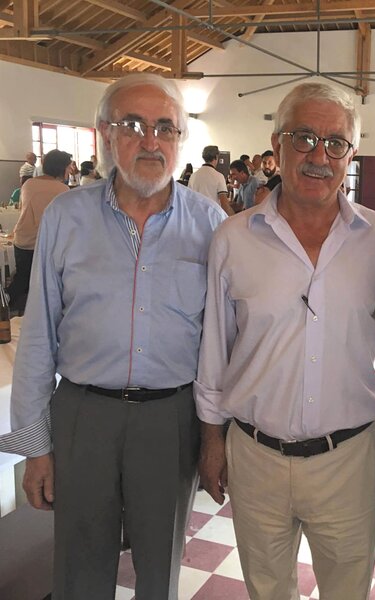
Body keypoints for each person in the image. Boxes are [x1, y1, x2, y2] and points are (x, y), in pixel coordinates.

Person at [0, 73, 226, 600]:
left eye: (165, 128)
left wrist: (215, 437)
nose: (150, 141)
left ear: (179, 139)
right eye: (133, 125)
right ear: (105, 133)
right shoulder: (67, 216)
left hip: (171, 418)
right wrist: (35, 448)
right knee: (79, 567)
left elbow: (220, 343)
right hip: (84, 415)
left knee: (160, 567)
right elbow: (38, 338)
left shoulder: (210, 224)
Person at [196, 81, 375, 600]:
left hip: (347, 458)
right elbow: (215, 349)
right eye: (303, 137)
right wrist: (212, 442)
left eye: (336, 143)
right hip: (255, 455)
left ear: (351, 153)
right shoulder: (233, 238)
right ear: (276, 144)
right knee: (266, 590)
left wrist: (334, 349)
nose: (319, 157)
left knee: (347, 590)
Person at [7, 149, 71, 314]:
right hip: (44, 243)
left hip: (22, 239)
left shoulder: (28, 184)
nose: (70, 170)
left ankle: (8, 303)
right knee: (45, 282)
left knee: (22, 278)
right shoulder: (63, 190)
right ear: (61, 167)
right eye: (69, 166)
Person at [188, 145, 234, 215]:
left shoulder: (193, 176)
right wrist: (234, 217)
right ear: (216, 157)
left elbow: (189, 199)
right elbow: (224, 204)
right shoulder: (219, 176)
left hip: (195, 215)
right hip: (212, 216)